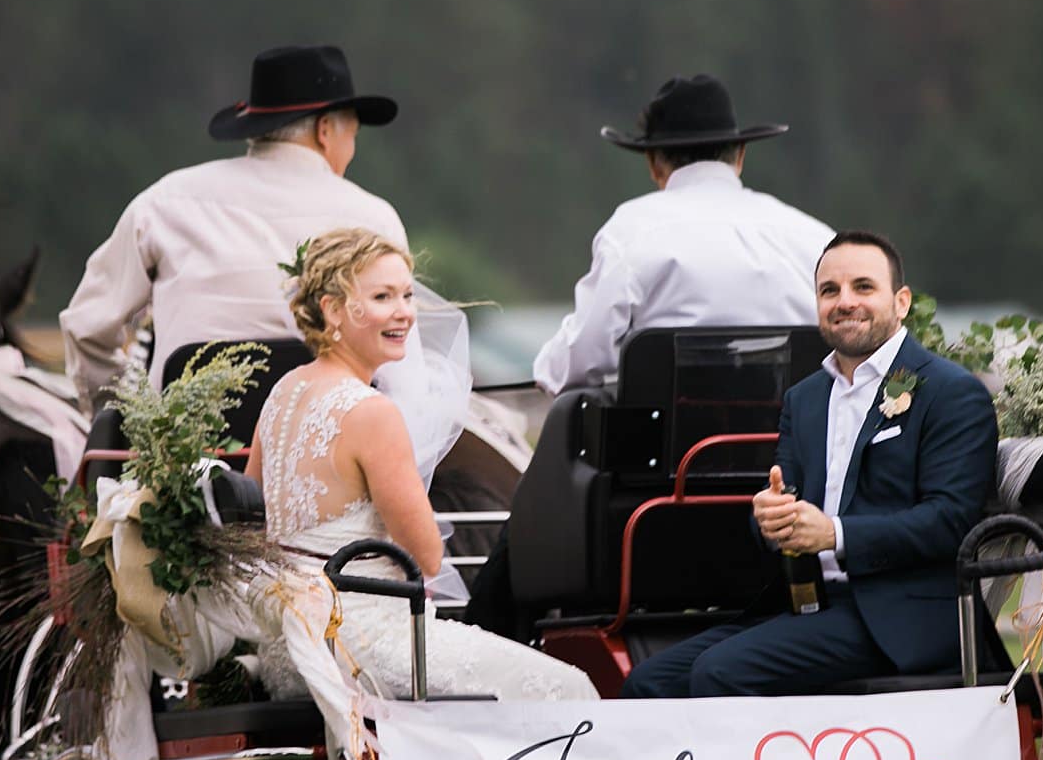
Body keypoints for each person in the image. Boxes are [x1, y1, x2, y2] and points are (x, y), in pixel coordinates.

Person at [620, 230, 998, 697]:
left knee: (719, 673)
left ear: (901, 302)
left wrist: (834, 534)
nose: (845, 302)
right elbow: (786, 505)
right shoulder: (806, 397)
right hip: (807, 602)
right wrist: (770, 518)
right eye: (829, 291)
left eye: (863, 287)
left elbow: (951, 522)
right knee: (647, 682)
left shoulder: (949, 391)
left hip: (900, 618)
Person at [247, 228, 598, 702]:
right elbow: (427, 556)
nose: (404, 313)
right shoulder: (372, 412)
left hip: (289, 652)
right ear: (331, 309)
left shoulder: (282, 393)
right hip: (360, 648)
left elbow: (252, 514)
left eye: (407, 295)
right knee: (570, 688)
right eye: (382, 296)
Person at [59, 44, 405, 414]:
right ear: (324, 131)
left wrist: (127, 416)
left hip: (179, 452)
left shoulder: (163, 204)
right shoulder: (374, 220)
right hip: (335, 448)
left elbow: (86, 327)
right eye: (351, 135)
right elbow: (397, 356)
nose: (350, 150)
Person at [531, 74, 833, 395]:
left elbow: (583, 355)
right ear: (740, 155)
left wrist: (546, 370)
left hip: (668, 444)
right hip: (791, 441)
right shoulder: (815, 238)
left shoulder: (632, 230)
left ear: (653, 163)